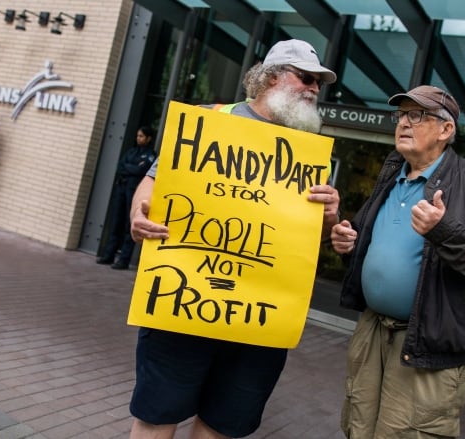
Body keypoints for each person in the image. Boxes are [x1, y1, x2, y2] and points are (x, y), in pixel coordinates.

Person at [126, 39, 340, 439]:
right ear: (271, 77)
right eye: (306, 78)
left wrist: (331, 217)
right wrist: (139, 213)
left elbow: (317, 235)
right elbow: (152, 183)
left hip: (259, 319)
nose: (314, 89)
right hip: (184, 301)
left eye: (318, 83)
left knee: (224, 423)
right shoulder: (210, 120)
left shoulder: (311, 154)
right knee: (158, 412)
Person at [330, 85, 465, 438]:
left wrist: (444, 231)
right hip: (373, 333)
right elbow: (372, 245)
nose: (404, 123)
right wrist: (348, 243)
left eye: (417, 115)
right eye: (401, 115)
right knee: (358, 427)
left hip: (428, 344)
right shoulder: (392, 175)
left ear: (446, 130)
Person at [96, 126, 157, 269]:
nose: (139, 138)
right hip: (122, 188)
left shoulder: (150, 155)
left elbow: (142, 170)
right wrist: (133, 168)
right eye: (138, 136)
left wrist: (131, 168)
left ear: (148, 138)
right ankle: (108, 255)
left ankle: (124, 260)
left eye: (141, 136)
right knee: (116, 222)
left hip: (134, 191)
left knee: (130, 224)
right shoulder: (131, 151)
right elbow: (121, 166)